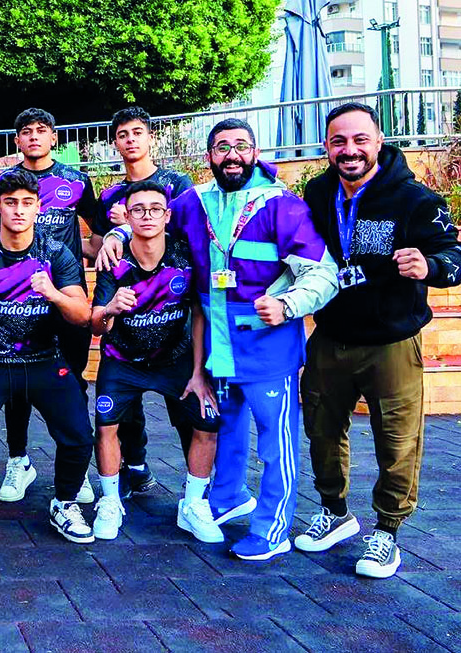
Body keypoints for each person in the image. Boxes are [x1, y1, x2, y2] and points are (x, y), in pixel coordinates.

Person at [99, 118, 338, 560]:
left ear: (255, 152)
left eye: (241, 146)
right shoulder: (194, 201)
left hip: (267, 346)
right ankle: (227, 497)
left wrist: (289, 305)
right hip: (216, 345)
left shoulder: (281, 205)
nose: (232, 155)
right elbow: (150, 217)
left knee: (275, 443)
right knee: (223, 427)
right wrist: (117, 233)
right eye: (222, 147)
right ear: (209, 155)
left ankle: (273, 529)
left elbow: (323, 274)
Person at [297, 103, 461, 578]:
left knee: (397, 439)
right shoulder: (317, 192)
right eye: (339, 141)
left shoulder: (414, 199)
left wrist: (430, 266)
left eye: (360, 140)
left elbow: (453, 255)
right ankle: (335, 512)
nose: (349, 150)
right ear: (327, 146)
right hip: (330, 335)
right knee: (321, 429)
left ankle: (387, 531)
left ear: (379, 141)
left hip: (391, 341)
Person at [0, 169, 96, 546]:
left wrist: (54, 294)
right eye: (11, 202)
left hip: (43, 358)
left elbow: (82, 314)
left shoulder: (55, 252)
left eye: (27, 203)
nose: (18, 210)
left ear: (38, 208)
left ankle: (64, 502)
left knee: (79, 434)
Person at [89, 180, 222, 544]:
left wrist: (199, 372)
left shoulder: (184, 255)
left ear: (167, 215)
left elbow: (199, 312)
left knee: (208, 422)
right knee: (106, 426)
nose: (147, 216)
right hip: (123, 360)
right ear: (127, 217)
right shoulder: (114, 260)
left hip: (175, 358)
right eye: (138, 210)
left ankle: (193, 504)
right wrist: (111, 309)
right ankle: (110, 501)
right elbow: (96, 323)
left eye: (154, 209)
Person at [84, 106, 197, 499]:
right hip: (128, 315)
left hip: (170, 308)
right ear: (115, 143)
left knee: (186, 408)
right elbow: (98, 246)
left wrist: (127, 225)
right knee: (124, 405)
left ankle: (197, 494)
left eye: (137, 132)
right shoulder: (110, 195)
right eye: (122, 135)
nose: (130, 140)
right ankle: (134, 466)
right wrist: (116, 233)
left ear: (150, 137)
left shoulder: (177, 183)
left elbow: (187, 233)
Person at [0, 108, 98, 505]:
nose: (34, 136)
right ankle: (19, 461)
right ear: (17, 140)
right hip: (16, 298)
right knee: (15, 380)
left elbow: (98, 232)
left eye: (41, 130)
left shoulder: (76, 180)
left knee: (72, 381)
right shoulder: (3, 182)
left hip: (64, 295)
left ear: (54, 138)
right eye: (26, 131)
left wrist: (101, 249)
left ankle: (76, 470)